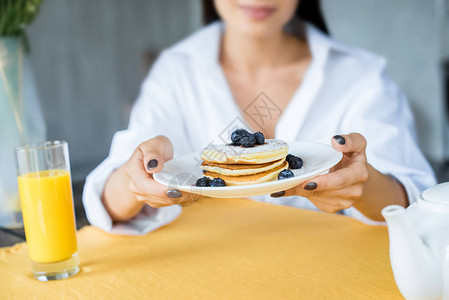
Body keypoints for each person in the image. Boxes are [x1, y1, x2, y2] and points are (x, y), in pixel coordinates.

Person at [83, 0, 436, 235]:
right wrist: (137, 178)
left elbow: (419, 208)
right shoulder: (177, 71)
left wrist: (365, 185)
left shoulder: (360, 77)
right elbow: (111, 200)